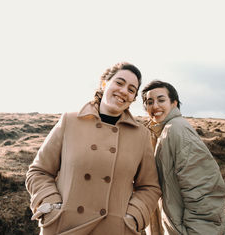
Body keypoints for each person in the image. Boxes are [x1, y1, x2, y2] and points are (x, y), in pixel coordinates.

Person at [26, 62, 161, 235]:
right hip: (64, 226)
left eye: (131, 89)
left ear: (133, 98)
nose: (123, 91)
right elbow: (39, 171)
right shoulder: (70, 121)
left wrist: (132, 217)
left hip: (114, 229)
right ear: (104, 83)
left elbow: (150, 187)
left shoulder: (140, 135)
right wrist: (51, 205)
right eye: (119, 83)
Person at [141, 80, 225, 235]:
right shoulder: (162, 131)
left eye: (161, 100)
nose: (155, 106)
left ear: (174, 103)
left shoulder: (177, 130)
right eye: (149, 102)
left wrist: (197, 231)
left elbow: (204, 190)